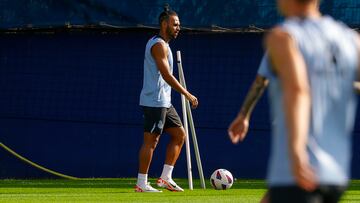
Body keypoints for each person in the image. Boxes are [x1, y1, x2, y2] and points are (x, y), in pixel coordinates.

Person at [228, 0, 360, 202]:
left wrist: (297, 153)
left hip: (295, 171)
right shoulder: (351, 40)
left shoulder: (284, 38)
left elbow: (296, 90)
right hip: (335, 175)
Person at [135, 5, 198, 193]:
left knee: (180, 135)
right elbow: (166, 75)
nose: (178, 27)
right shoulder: (157, 45)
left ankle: (165, 178)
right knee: (151, 142)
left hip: (164, 102)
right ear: (164, 24)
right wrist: (186, 93)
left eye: (179, 24)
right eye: (175, 24)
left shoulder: (166, 45)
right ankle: (141, 183)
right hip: (154, 102)